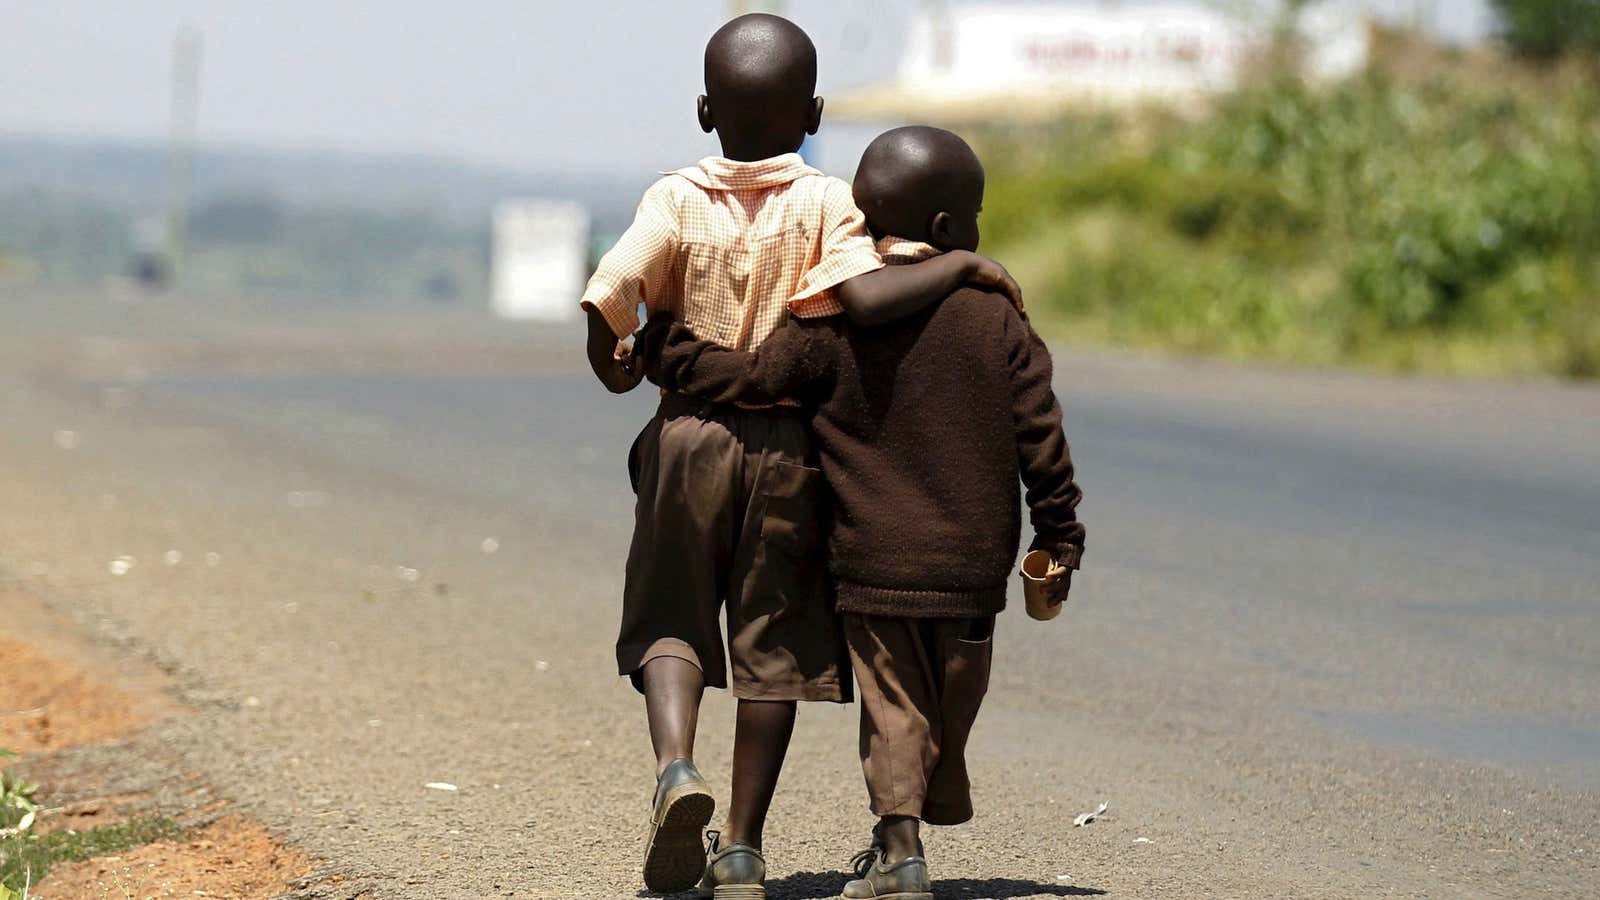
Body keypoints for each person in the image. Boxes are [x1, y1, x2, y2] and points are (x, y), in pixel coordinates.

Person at [578, 15, 1024, 898]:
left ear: (705, 110)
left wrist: (620, 370)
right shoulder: (829, 204)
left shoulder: (671, 199)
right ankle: (742, 847)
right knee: (769, 648)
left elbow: (606, 294)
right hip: (788, 449)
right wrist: (969, 268)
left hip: (684, 434)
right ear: (815, 109)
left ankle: (675, 768)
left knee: (670, 620)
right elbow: (865, 296)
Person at [636, 126, 1084, 900]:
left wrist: (667, 353)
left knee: (892, 705)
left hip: (873, 560)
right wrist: (1059, 531)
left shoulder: (830, 320)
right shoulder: (997, 317)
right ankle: (941, 775)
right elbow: (1040, 431)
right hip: (974, 563)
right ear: (949, 231)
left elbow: (751, 380)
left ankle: (902, 849)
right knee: (955, 682)